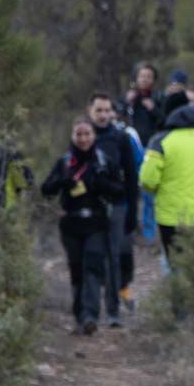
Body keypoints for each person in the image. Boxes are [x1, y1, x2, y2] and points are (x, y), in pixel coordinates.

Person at [40, 118, 125, 335]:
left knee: (92, 266)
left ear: (93, 136)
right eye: (79, 134)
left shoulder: (104, 161)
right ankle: (80, 316)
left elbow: (119, 190)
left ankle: (91, 315)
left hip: (96, 222)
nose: (83, 138)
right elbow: (46, 189)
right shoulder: (64, 162)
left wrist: (100, 184)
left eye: (87, 134)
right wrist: (62, 182)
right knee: (77, 270)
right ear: (72, 136)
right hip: (71, 223)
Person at [138, 103, 194, 268]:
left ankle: (174, 291)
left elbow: (147, 180)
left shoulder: (160, 141)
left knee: (174, 262)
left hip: (169, 215)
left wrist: (155, 191)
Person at [87, 92, 141, 324]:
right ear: (90, 111)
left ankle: (112, 312)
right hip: (89, 208)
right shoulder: (83, 137)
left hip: (117, 207)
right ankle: (88, 312)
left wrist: (132, 213)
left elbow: (131, 177)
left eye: (107, 110)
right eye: (98, 110)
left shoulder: (121, 139)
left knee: (113, 259)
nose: (103, 115)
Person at [121, 61, 164, 241]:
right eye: (142, 76)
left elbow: (164, 120)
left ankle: (149, 233)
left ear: (153, 80)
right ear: (136, 78)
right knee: (127, 190)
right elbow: (116, 114)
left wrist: (153, 109)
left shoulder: (158, 99)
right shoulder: (129, 99)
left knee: (149, 192)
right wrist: (126, 103)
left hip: (150, 150)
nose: (145, 80)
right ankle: (127, 230)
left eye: (148, 76)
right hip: (130, 148)